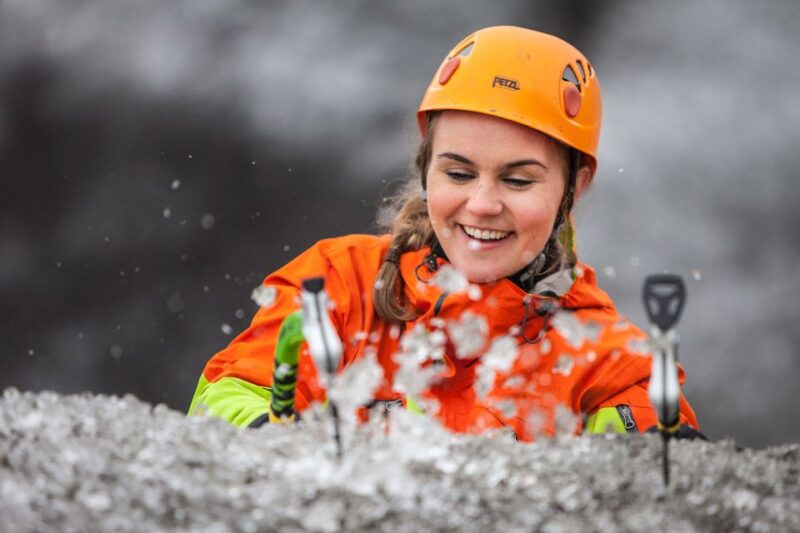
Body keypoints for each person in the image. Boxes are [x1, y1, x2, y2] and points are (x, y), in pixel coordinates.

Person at [188, 26, 700, 441]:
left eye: (518, 180)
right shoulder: (337, 284)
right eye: (457, 174)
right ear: (425, 167)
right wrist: (275, 440)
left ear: (576, 186)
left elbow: (660, 480)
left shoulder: (610, 364)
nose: (482, 205)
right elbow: (223, 399)